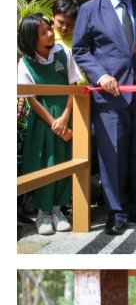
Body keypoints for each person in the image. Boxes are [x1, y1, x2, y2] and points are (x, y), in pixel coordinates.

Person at [72, 0, 136, 235]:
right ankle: (117, 212)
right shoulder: (89, 9)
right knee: (113, 157)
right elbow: (81, 49)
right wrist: (100, 75)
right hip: (110, 96)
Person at [18, 13, 78, 236]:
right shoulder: (25, 63)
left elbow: (73, 85)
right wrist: (54, 122)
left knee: (64, 159)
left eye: (49, 29)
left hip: (66, 114)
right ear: (31, 38)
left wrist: (64, 117)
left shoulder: (64, 54)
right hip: (43, 121)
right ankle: (42, 213)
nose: (51, 34)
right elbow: (31, 98)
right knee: (44, 162)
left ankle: (58, 210)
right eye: (43, 32)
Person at [50, 0, 87, 86]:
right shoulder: (44, 38)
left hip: (80, 90)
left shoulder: (81, 38)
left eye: (70, 24)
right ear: (52, 17)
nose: (65, 28)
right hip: (55, 90)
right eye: (61, 22)